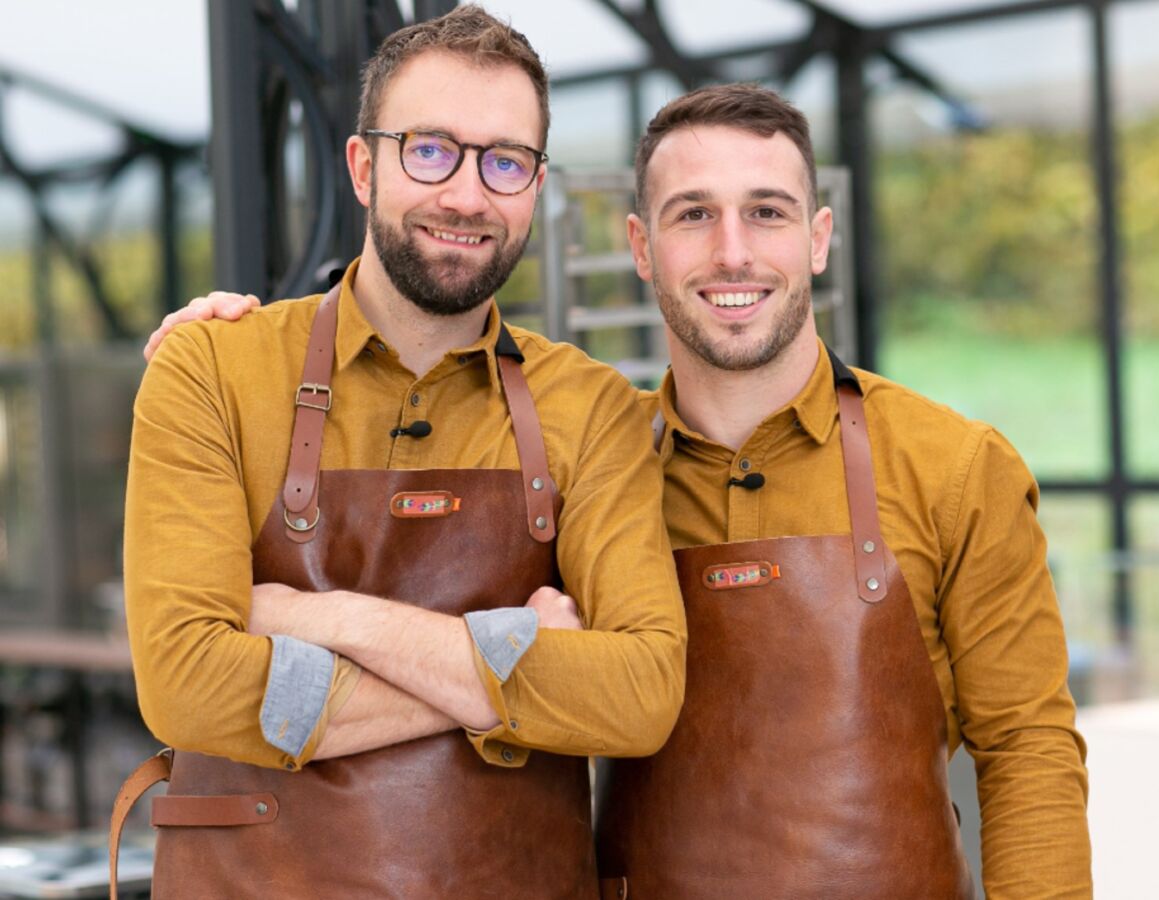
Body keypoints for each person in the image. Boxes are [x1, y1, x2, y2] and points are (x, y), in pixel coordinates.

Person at [147, 84, 1092, 898]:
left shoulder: (954, 466)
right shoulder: (596, 455)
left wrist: (319, 617)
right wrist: (229, 348)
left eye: (766, 212)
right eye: (692, 215)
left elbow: (1030, 756)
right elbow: (401, 387)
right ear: (641, 246)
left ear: (818, 238)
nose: (732, 252)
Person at [115, 8, 685, 900]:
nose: (466, 194)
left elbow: (640, 694)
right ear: (363, 166)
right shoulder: (213, 367)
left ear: (536, 186)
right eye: (430, 150)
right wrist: (519, 664)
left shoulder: (591, 405)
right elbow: (188, 683)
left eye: (505, 160)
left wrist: (326, 618)